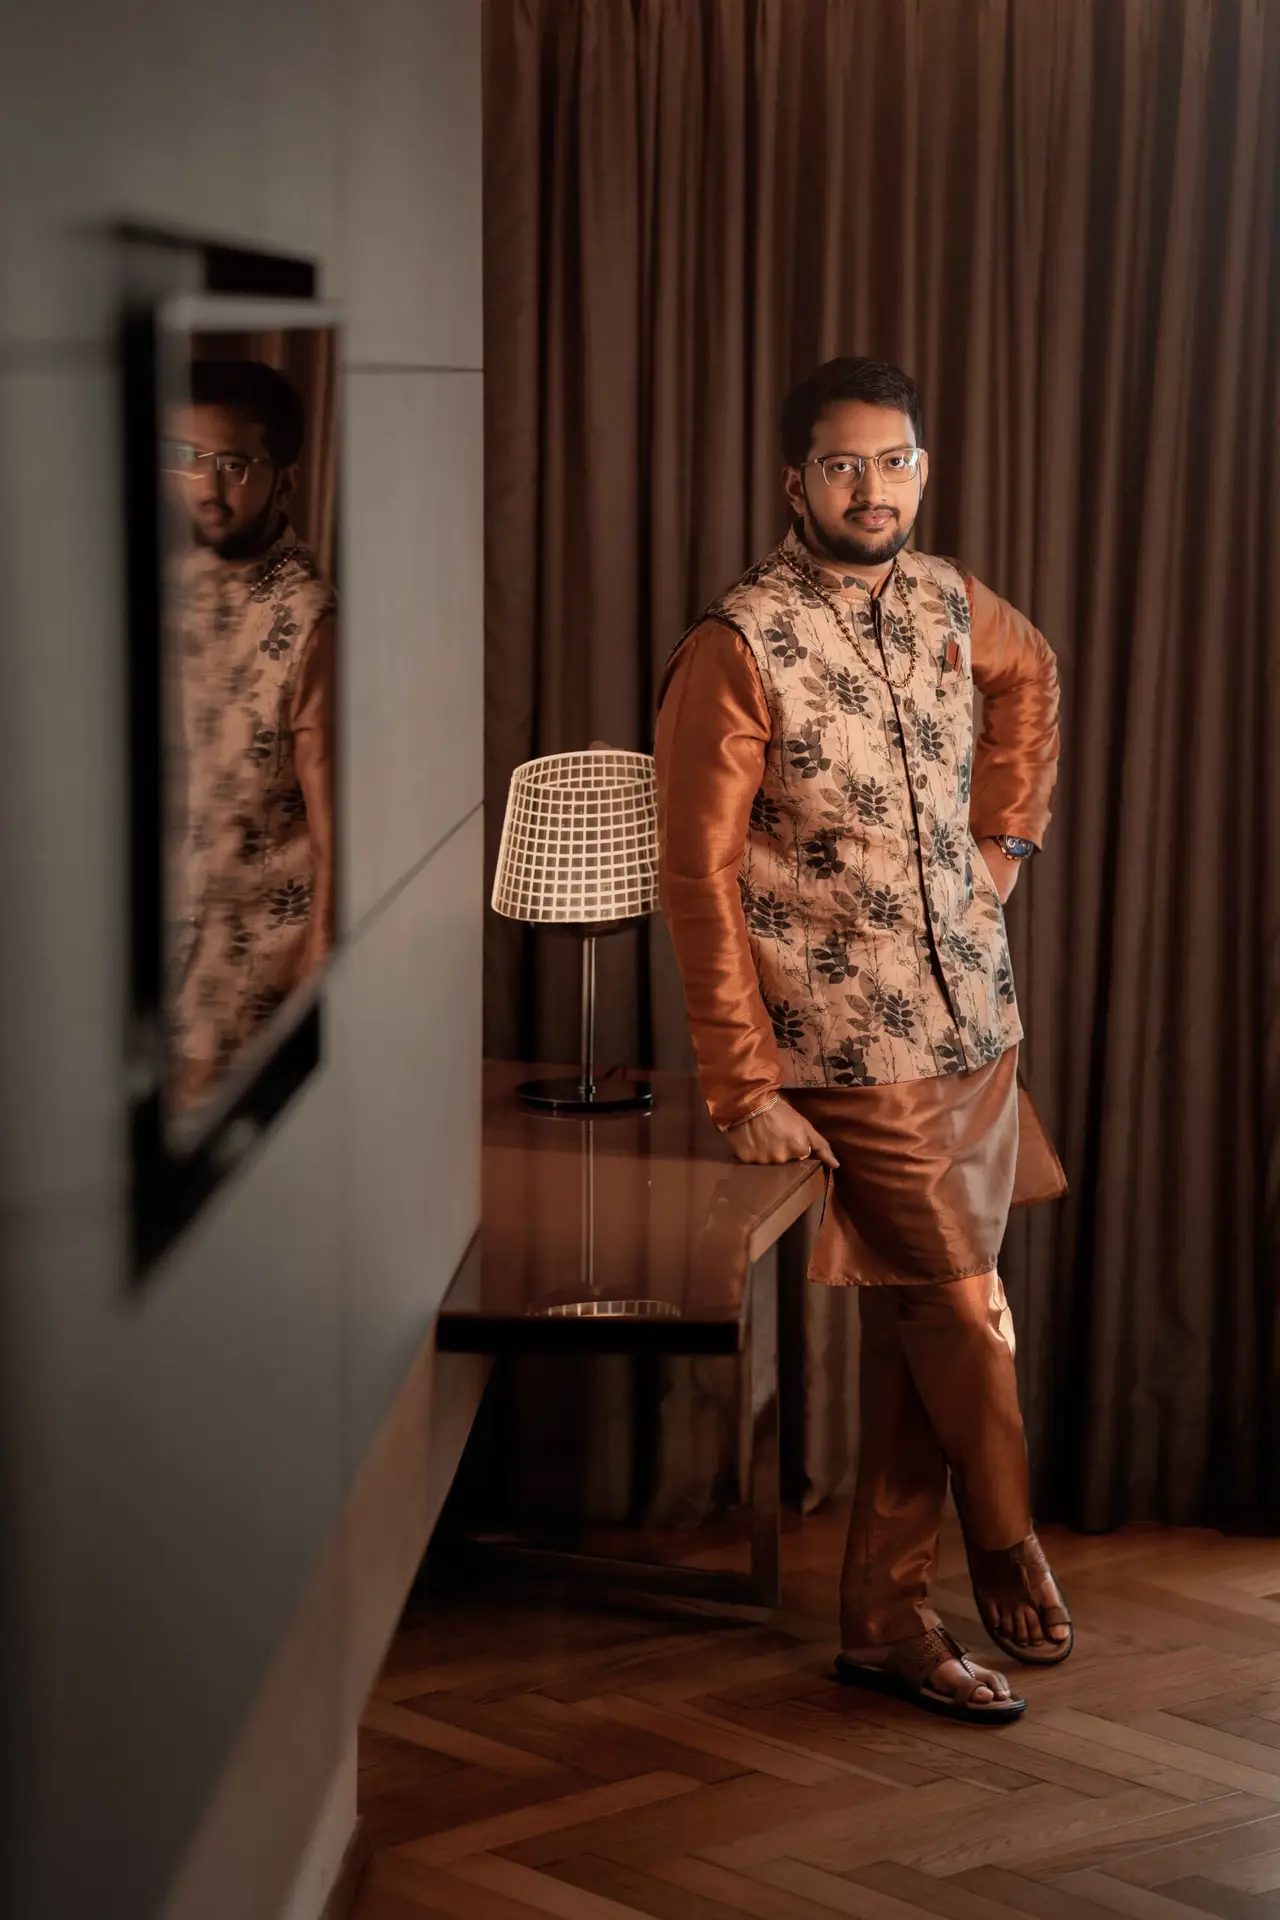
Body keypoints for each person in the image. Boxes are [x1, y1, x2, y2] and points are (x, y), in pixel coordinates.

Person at [654, 356, 1068, 1725]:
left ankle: (886, 1620)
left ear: (922, 471)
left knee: (918, 1332)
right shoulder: (739, 642)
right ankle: (1003, 1537)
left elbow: (1032, 675)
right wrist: (739, 1083)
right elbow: (695, 875)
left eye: (894, 462)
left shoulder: (951, 600)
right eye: (842, 465)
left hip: (977, 1020)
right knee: (960, 1310)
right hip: (845, 1047)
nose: (871, 488)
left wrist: (1004, 841)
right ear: (795, 482)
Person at [163, 358, 335, 1112]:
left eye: (232, 464)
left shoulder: (308, 616)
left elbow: (335, 819)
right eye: (184, 457)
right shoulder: (170, 582)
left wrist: (322, 962)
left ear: (282, 481)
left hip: (254, 943)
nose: (205, 486)